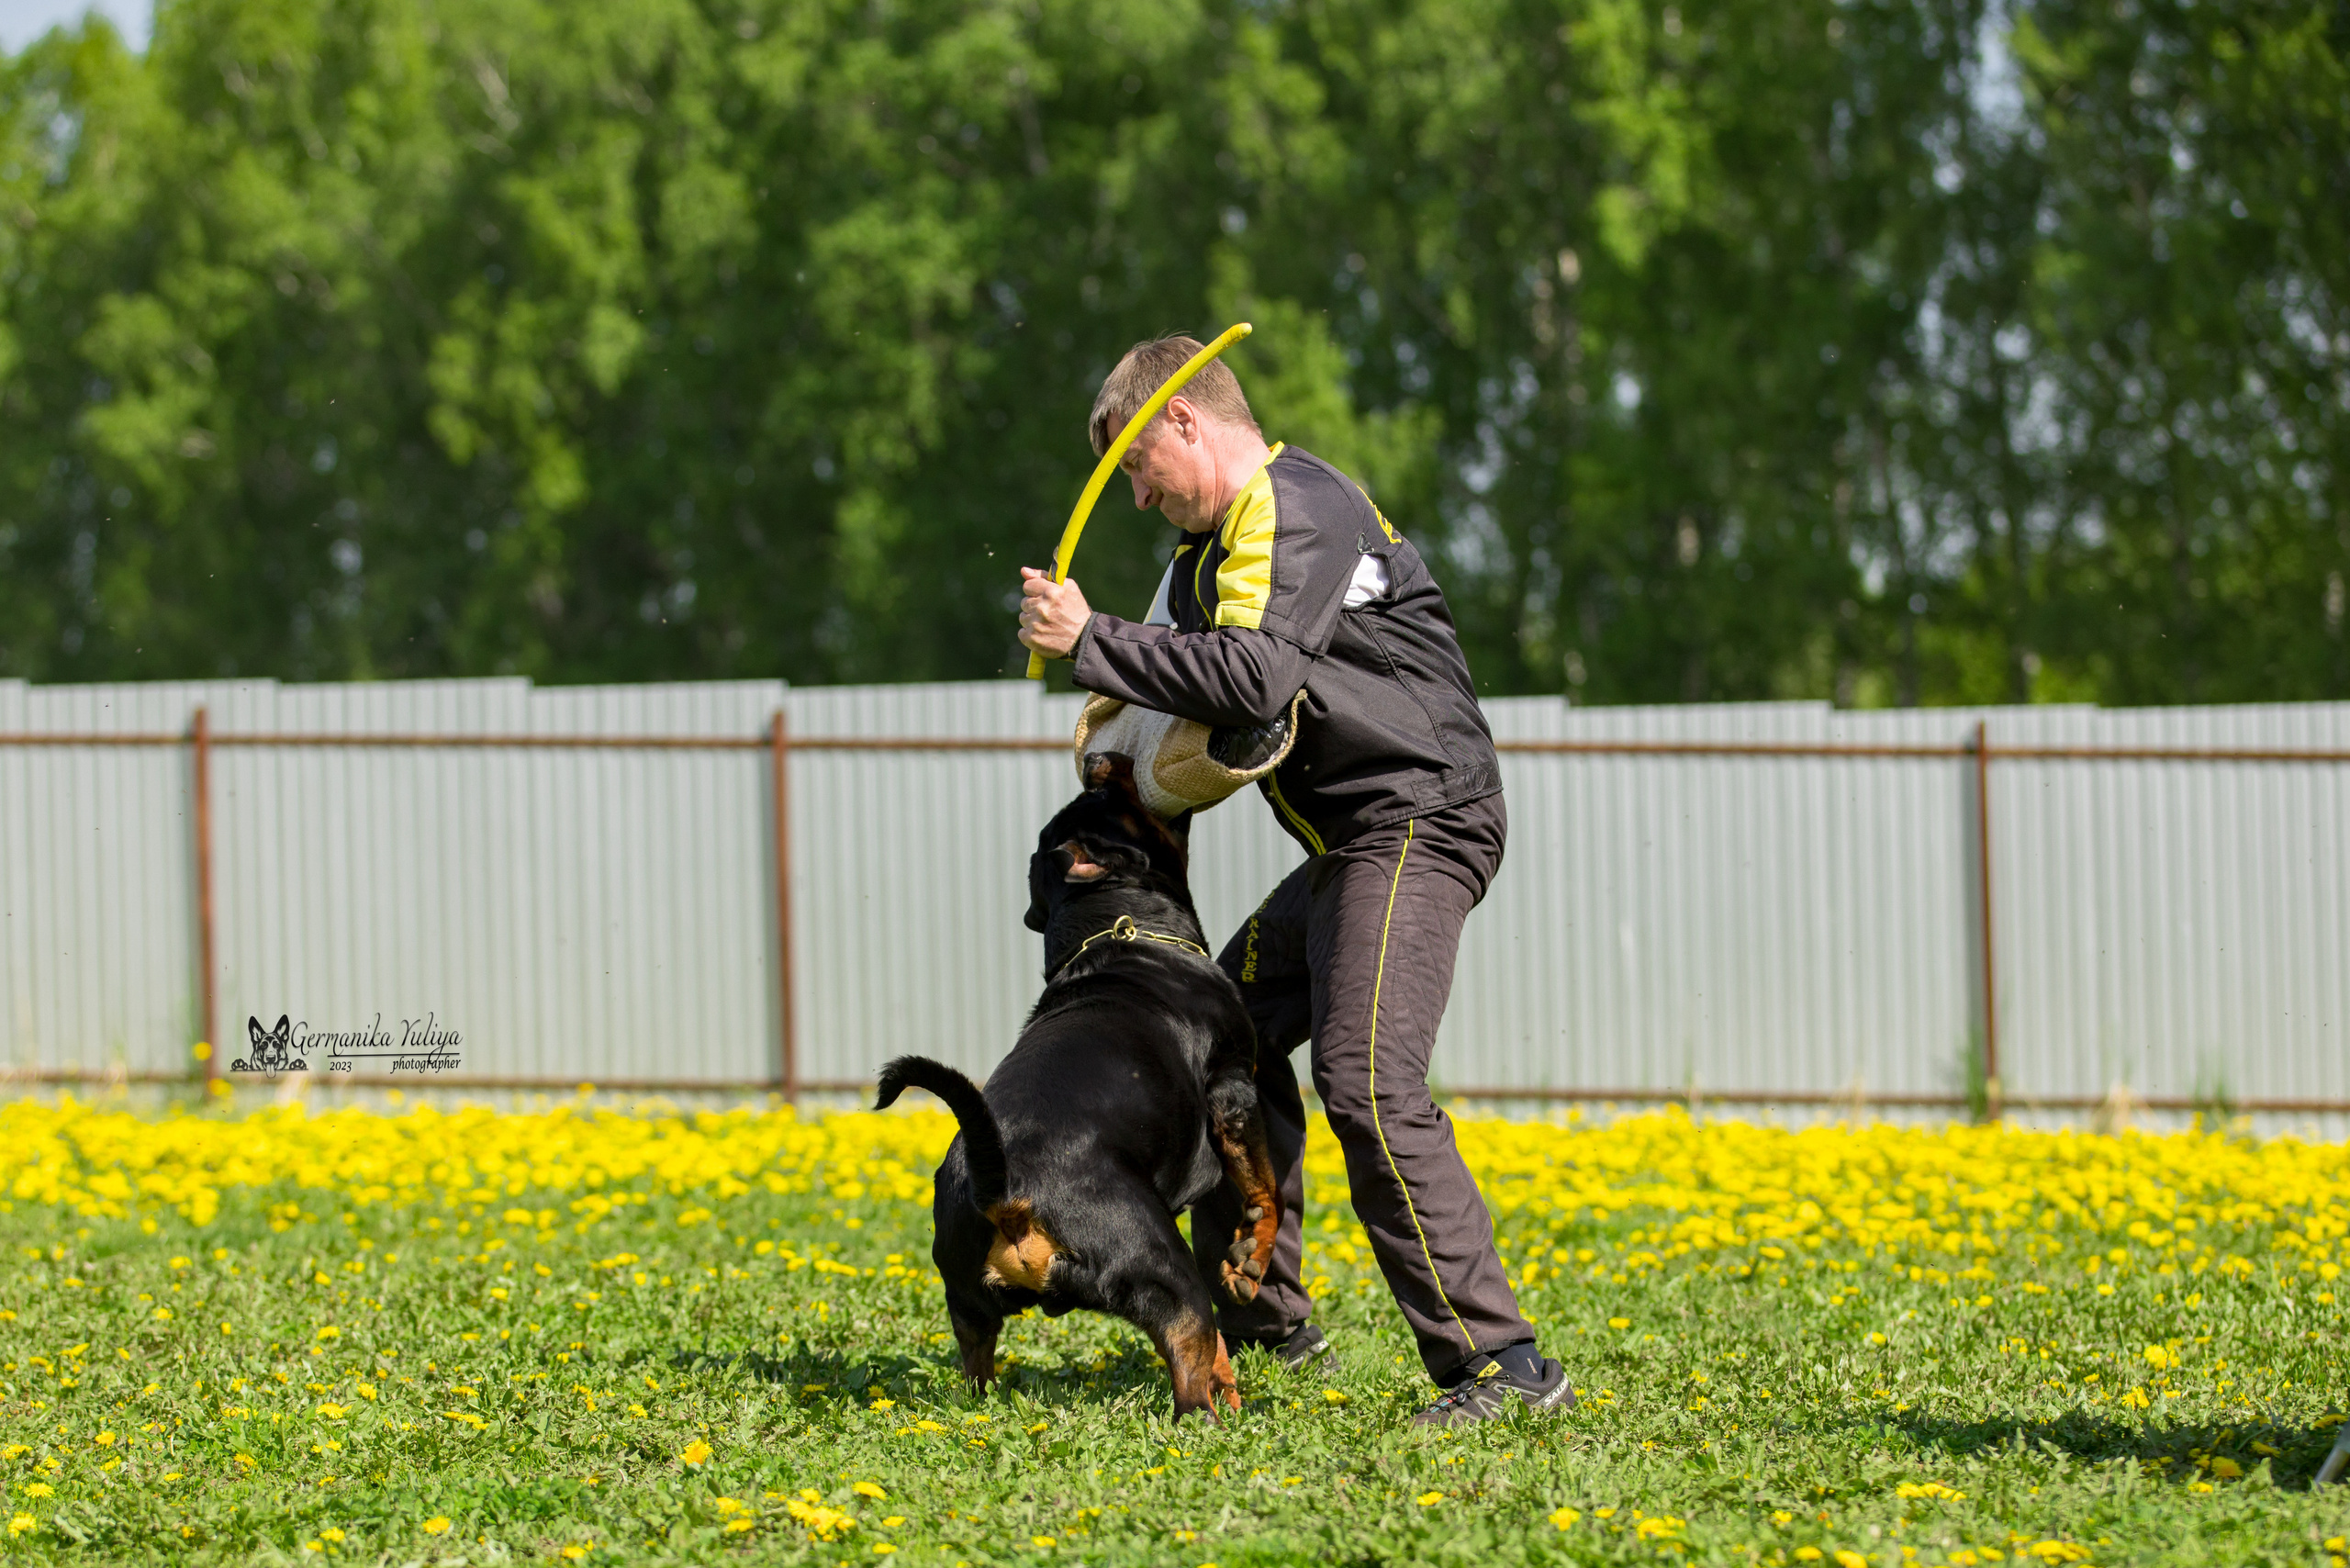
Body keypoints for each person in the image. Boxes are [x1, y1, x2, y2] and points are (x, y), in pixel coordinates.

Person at [1015, 335, 1574, 1426]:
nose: (1137, 497)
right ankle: (1264, 1316)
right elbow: (1169, 695)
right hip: (1348, 847)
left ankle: (1501, 1364)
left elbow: (1254, 673)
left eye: (1138, 468)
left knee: (1367, 1079)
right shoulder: (1196, 560)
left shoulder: (1298, 502)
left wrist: (1091, 637)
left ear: (1181, 422)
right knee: (1227, 1041)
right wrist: (1104, 727)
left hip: (1420, 817)